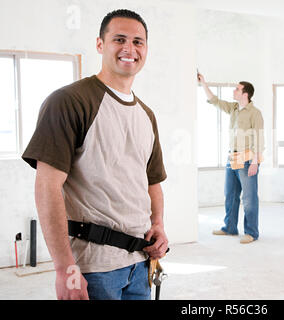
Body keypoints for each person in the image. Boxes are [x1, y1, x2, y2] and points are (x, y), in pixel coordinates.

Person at [22, 9, 168, 300]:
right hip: (93, 268)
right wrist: (65, 269)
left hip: (140, 265)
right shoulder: (68, 102)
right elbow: (47, 187)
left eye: (138, 42)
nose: (130, 48)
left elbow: (152, 182)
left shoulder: (146, 115)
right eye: (120, 39)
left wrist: (158, 224)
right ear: (100, 45)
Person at [197, 73, 264, 244]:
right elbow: (215, 101)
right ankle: (230, 227)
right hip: (232, 157)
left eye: (237, 89)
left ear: (245, 94)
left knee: (249, 198)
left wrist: (255, 162)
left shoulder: (255, 113)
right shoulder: (234, 108)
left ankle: (251, 232)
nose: (234, 91)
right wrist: (203, 83)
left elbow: (259, 138)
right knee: (230, 194)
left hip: (248, 159)